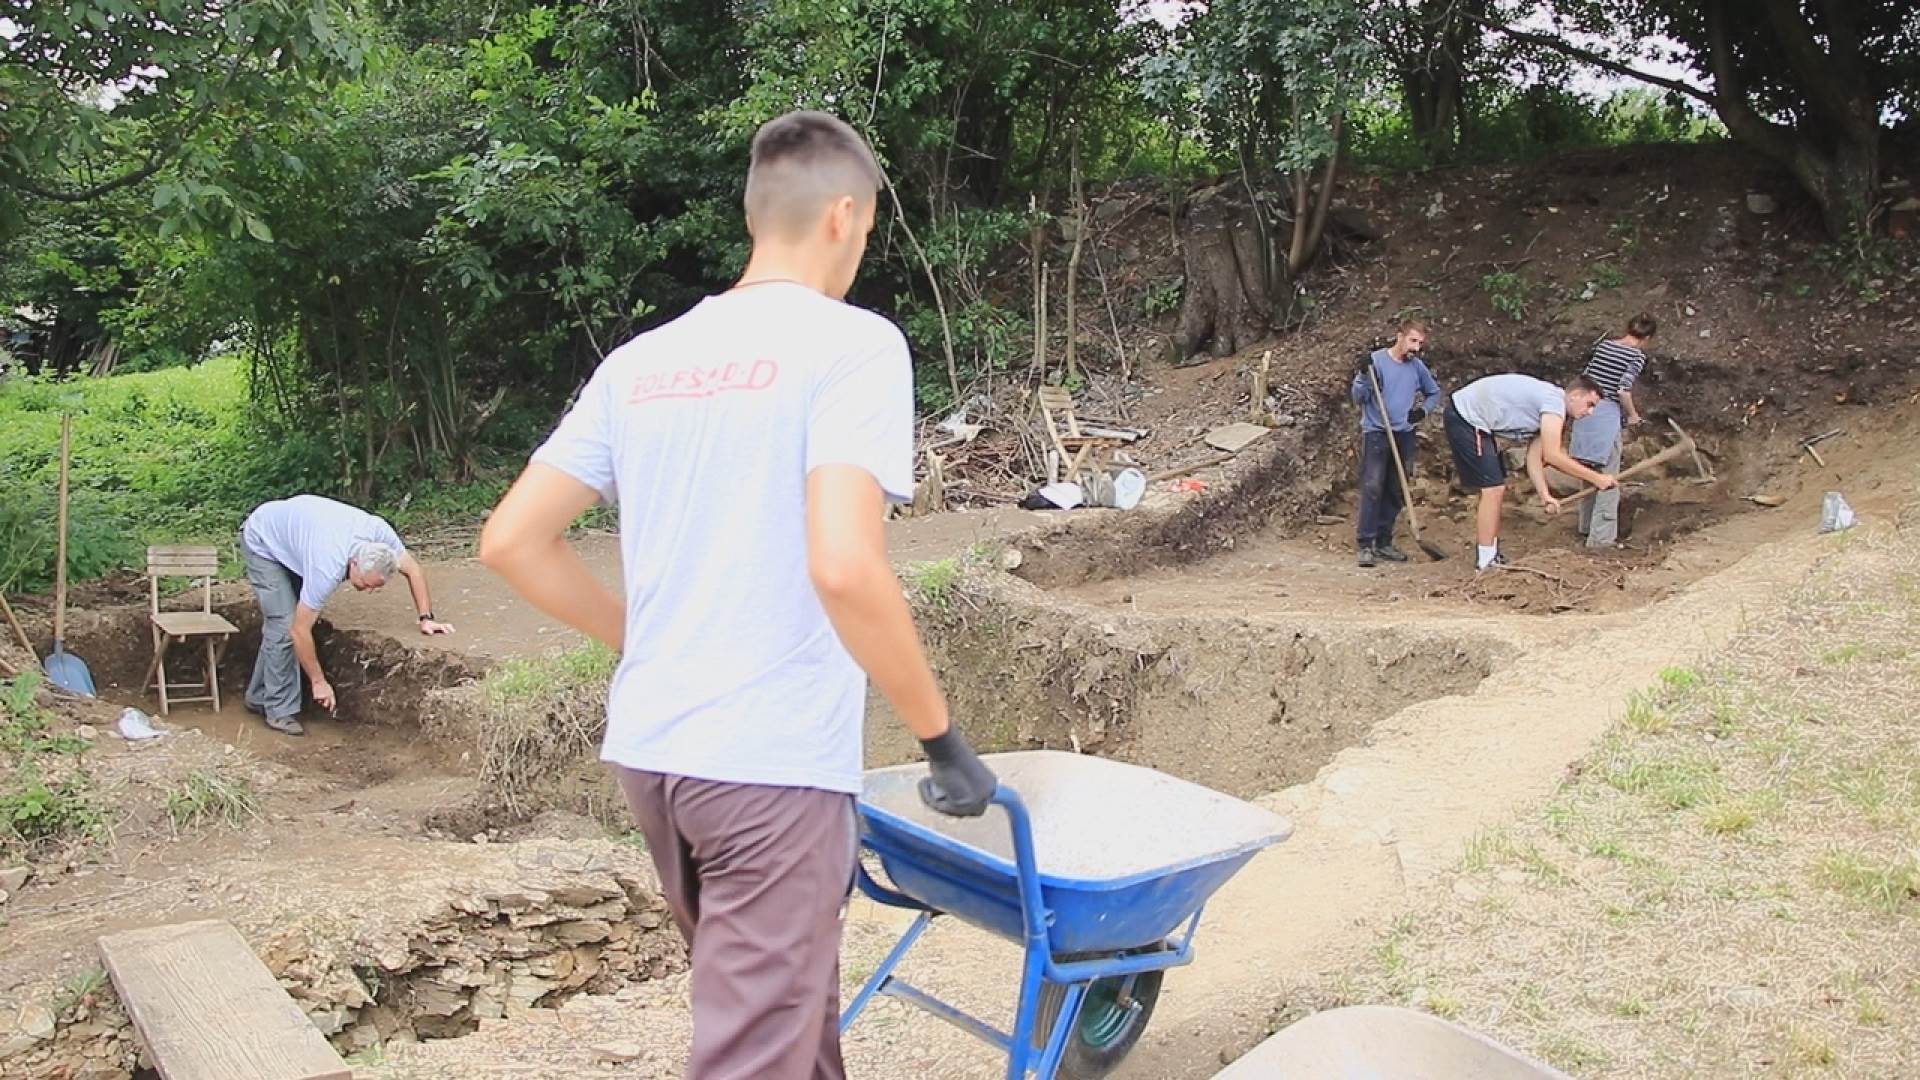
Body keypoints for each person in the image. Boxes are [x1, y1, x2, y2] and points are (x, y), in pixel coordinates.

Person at [476, 110, 997, 1080]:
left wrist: (644, 639)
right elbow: (843, 564)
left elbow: (512, 541)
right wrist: (940, 741)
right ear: (844, 216)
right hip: (767, 768)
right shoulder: (852, 346)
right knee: (756, 1052)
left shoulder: (640, 363)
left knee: (788, 1022)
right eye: (870, 231)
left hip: (657, 758)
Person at [239, 495, 454, 735]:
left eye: (376, 586)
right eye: (365, 584)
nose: (370, 591)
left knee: (288, 620)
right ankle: (279, 710)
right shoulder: (326, 568)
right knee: (284, 622)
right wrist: (319, 683)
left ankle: (259, 696)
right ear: (352, 563)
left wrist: (426, 618)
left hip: (299, 539)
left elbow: (413, 570)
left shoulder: (381, 537)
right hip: (264, 541)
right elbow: (299, 631)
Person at [1443, 372, 1618, 570]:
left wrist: (1545, 496)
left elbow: (1535, 458)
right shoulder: (1554, 404)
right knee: (1493, 489)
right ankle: (1485, 561)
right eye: (1590, 404)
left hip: (1477, 421)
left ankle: (1490, 554)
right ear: (1575, 395)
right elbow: (1553, 455)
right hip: (1467, 417)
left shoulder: (1552, 411)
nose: (1590, 412)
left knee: (1496, 488)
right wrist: (1597, 478)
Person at [1349, 319, 1443, 567]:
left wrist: (1422, 412)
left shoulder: (1417, 367)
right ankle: (1366, 544)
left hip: (1404, 433)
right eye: (1413, 341)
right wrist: (1362, 375)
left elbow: (1434, 393)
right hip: (1377, 432)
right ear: (1399, 336)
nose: (1416, 348)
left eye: (1420, 344)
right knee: (1372, 486)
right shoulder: (1376, 362)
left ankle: (1383, 542)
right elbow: (1358, 397)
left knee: (1395, 488)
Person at [1568, 314, 1656, 548]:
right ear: (1647, 338)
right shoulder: (1636, 356)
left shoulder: (1605, 346)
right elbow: (1623, 390)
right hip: (1606, 416)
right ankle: (1601, 540)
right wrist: (1633, 416)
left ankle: (1585, 527)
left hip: (1584, 411)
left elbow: (1585, 378)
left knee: (1588, 474)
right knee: (1608, 480)